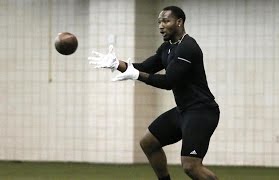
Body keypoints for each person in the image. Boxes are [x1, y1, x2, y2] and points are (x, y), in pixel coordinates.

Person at [89, 6, 220, 180]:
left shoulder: (188, 47)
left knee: (191, 166)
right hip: (184, 110)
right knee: (148, 143)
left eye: (166, 21)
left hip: (202, 112)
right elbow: (144, 67)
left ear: (179, 22)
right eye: (159, 22)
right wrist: (116, 64)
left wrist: (136, 75)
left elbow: (169, 82)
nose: (161, 26)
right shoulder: (167, 47)